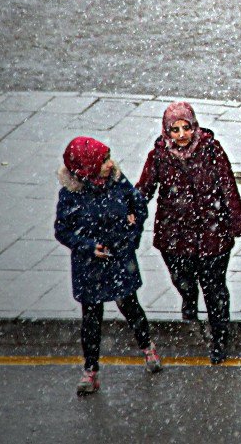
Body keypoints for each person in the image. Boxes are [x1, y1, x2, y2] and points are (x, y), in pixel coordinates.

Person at [137, 102, 241, 364]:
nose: (181, 135)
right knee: (182, 278)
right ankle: (189, 298)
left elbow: (228, 185)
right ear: (167, 132)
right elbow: (144, 187)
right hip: (175, 235)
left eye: (185, 128)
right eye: (174, 130)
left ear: (194, 127)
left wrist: (236, 220)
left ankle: (220, 339)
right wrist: (128, 210)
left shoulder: (212, 150)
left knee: (215, 289)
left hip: (213, 234)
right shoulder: (159, 156)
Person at [54, 137, 161, 396]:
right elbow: (63, 230)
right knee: (91, 318)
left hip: (119, 259)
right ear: (86, 168)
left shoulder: (117, 181)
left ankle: (147, 347)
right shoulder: (71, 194)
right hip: (89, 266)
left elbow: (138, 205)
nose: (110, 163)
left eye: (108, 157)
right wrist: (89, 246)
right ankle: (91, 370)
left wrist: (132, 233)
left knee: (130, 306)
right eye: (103, 161)